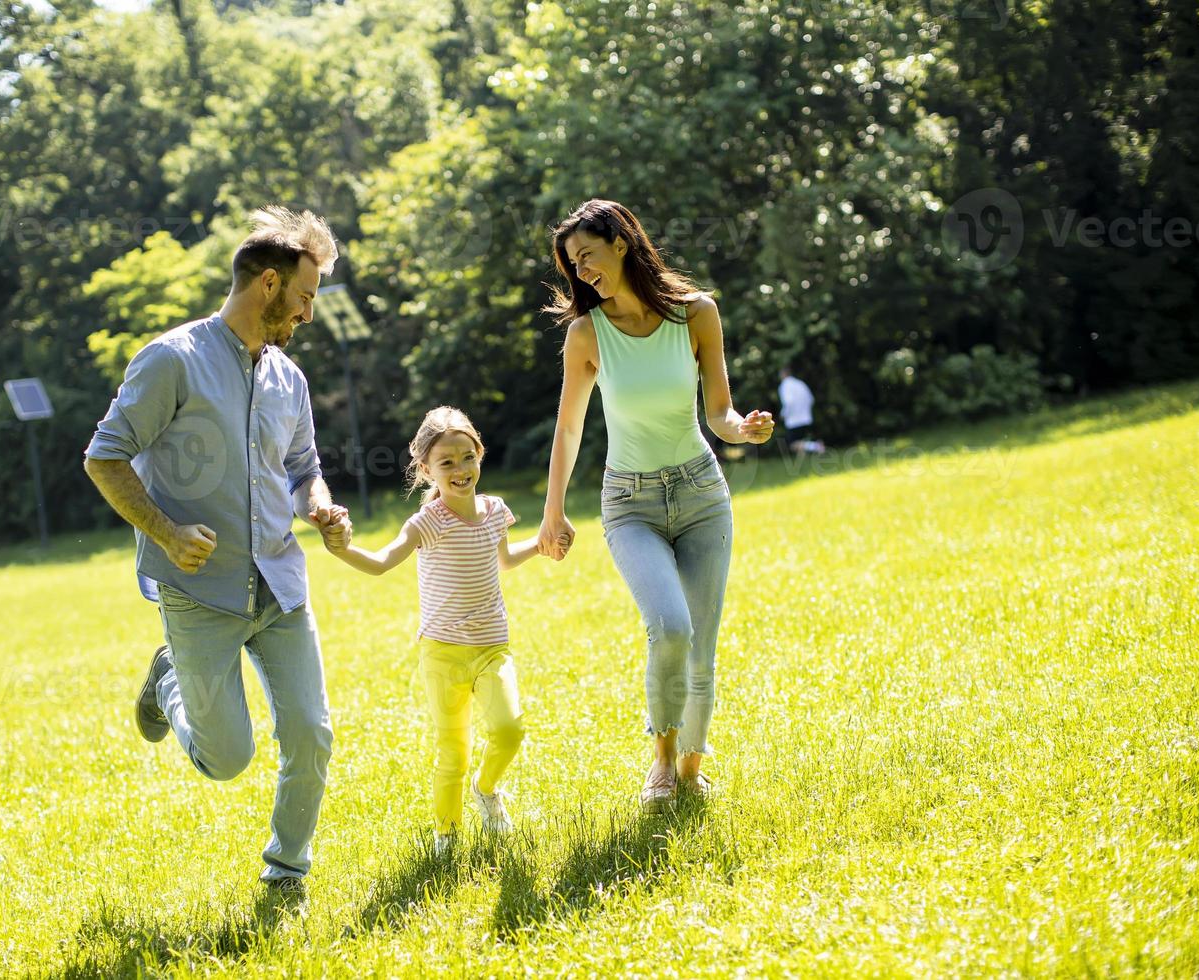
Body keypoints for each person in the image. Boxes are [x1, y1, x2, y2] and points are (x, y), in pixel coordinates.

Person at [82, 205, 351, 896]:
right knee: (227, 759)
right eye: (304, 296)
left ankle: (286, 871)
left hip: (280, 586)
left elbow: (301, 467)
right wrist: (168, 533)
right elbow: (105, 458)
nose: (309, 315)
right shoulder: (172, 360)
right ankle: (167, 679)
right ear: (267, 284)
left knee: (312, 736)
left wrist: (316, 502)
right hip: (199, 593)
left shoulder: (288, 378)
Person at [536, 199, 774, 813]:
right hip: (629, 503)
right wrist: (553, 511)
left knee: (702, 643)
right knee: (669, 627)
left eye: (586, 255)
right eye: (572, 266)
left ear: (619, 241)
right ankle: (662, 759)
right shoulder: (588, 334)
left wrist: (741, 429)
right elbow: (568, 429)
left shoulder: (696, 315)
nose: (582, 272)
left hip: (701, 495)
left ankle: (693, 766)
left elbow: (717, 410)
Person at [321, 406, 549, 855]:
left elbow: (502, 559)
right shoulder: (428, 522)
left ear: (480, 454)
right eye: (447, 462)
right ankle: (447, 834)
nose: (461, 470)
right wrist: (342, 550)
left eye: (468, 457)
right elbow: (383, 562)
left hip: (492, 647)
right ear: (427, 470)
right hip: (443, 654)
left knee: (509, 729)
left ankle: (487, 791)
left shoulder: (495, 510)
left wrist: (540, 545)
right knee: (453, 751)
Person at [778, 366, 824, 456]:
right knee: (801, 442)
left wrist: (783, 414)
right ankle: (800, 464)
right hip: (806, 417)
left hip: (794, 420)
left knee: (793, 444)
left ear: (783, 374)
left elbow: (788, 402)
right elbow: (811, 399)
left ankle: (816, 446)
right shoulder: (800, 383)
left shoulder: (785, 385)